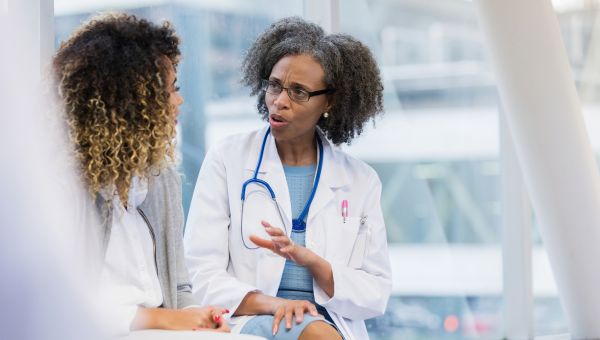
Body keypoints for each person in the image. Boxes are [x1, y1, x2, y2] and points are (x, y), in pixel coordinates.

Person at [184, 16, 392, 339]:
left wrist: (313, 262)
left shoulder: (361, 181)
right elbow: (199, 272)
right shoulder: (228, 158)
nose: (279, 101)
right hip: (250, 315)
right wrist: (275, 304)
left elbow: (375, 292)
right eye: (275, 85)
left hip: (330, 322)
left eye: (298, 92)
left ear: (330, 101)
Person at [52, 12, 229, 335]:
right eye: (169, 91)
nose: (179, 100)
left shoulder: (160, 181)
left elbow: (179, 287)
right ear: (129, 106)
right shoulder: (61, 189)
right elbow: (55, 304)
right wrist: (165, 319)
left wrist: (199, 318)